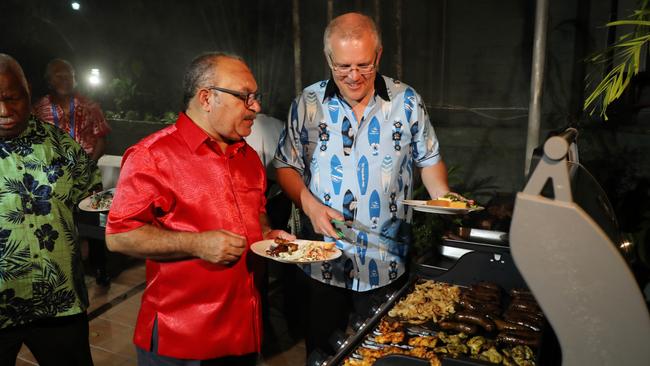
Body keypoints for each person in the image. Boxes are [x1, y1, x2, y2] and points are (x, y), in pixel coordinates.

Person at [274, 12, 452, 357]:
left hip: (388, 259)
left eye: (364, 65)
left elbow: (429, 160)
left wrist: (442, 197)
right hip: (324, 259)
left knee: (387, 355)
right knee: (324, 355)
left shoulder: (408, 101)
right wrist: (309, 205)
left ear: (379, 55)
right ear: (328, 58)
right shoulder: (307, 104)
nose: (354, 76)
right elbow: (285, 166)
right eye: (342, 67)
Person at [105, 52, 293, 365]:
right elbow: (119, 236)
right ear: (206, 98)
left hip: (244, 330)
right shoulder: (152, 155)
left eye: (256, 97)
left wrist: (267, 235)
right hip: (181, 339)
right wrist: (197, 243)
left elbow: (256, 212)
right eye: (245, 97)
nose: (256, 107)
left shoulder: (247, 156)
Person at [0, 53, 101, 365]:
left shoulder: (60, 144)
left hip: (60, 301)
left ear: (27, 89)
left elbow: (90, 192)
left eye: (11, 98)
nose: (4, 110)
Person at [33, 58, 112, 286]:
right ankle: (61, 267)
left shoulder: (90, 106)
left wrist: (88, 164)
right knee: (58, 221)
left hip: (87, 174)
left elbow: (101, 138)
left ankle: (101, 267)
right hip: (55, 176)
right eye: (59, 75)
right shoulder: (40, 108)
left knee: (95, 220)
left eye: (68, 75)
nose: (65, 79)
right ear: (49, 80)